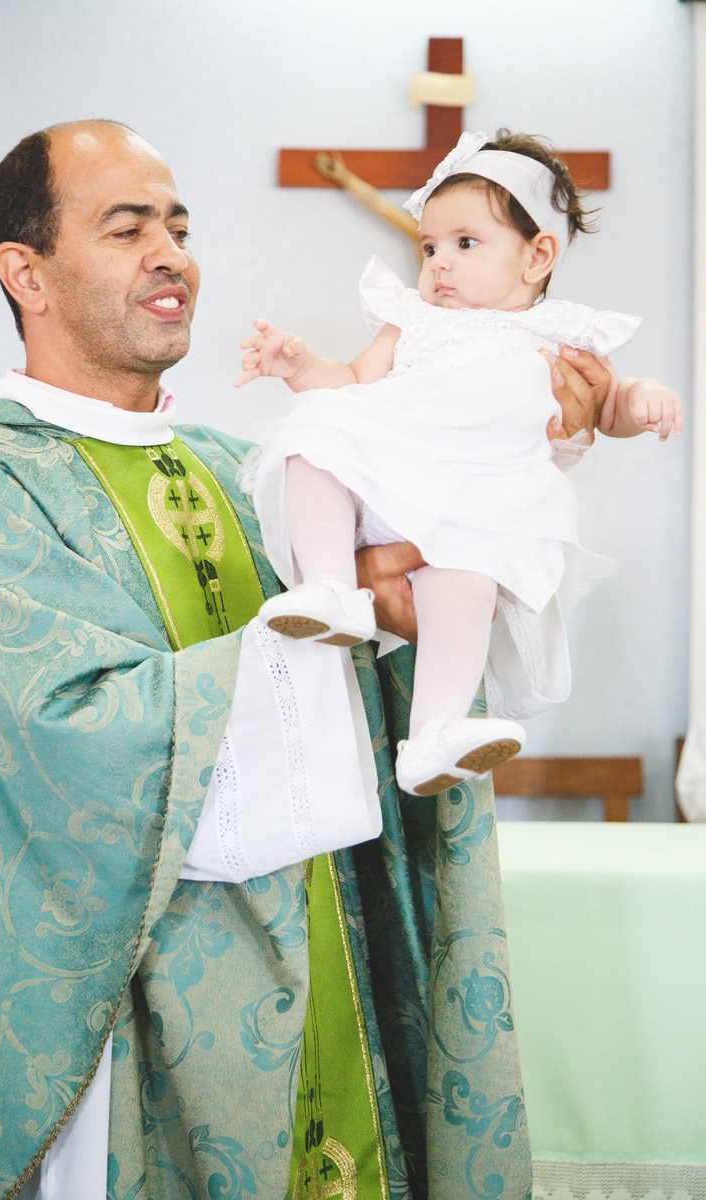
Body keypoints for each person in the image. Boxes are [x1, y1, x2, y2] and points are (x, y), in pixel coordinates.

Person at [0, 120, 611, 1200]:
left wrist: (528, 451)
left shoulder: (251, 470)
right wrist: (313, 643)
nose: (170, 252)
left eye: (179, 226)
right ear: (25, 272)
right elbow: (61, 751)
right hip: (136, 1019)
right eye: (127, 226)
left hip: (333, 955)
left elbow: (427, 600)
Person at [235, 129, 682, 797]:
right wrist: (301, 367)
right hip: (391, 480)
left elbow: (604, 405)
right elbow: (353, 380)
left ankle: (435, 735)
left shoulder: (558, 332)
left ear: (537, 256)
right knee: (314, 438)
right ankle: (330, 589)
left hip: (478, 501)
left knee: (467, 583)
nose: (439, 263)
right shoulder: (412, 321)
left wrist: (645, 399)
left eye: (465, 244)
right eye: (430, 246)